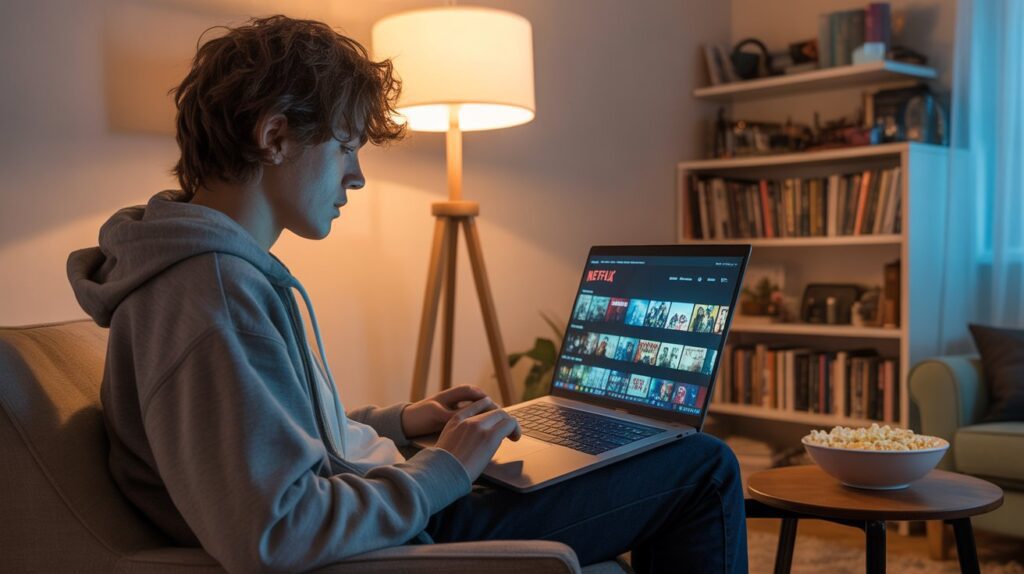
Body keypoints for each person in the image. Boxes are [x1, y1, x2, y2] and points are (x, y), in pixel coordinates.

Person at [66, 16, 747, 574]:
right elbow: (272, 532)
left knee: (634, 456)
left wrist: (402, 424)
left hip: (390, 501)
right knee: (702, 465)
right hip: (405, 536)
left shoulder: (208, 275)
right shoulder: (210, 293)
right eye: (344, 148)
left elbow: (279, 441)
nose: (356, 176)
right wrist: (443, 471)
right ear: (274, 136)